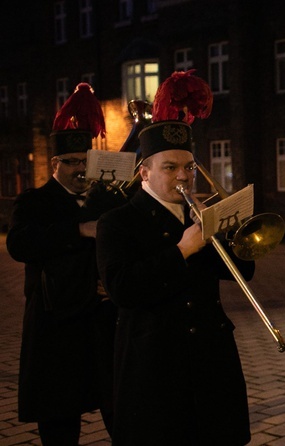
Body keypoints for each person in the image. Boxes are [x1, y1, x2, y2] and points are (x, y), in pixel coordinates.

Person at [96, 70, 255, 445]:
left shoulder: (198, 212)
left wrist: (231, 231)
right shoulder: (116, 222)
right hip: (153, 364)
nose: (183, 176)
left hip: (211, 359)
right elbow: (123, 289)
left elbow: (243, 271)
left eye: (189, 167)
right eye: (170, 168)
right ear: (144, 172)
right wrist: (183, 250)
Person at [5, 83, 116, 445]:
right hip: (56, 326)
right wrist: (79, 228)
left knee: (121, 412)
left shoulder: (104, 199)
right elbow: (20, 244)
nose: (80, 169)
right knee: (59, 422)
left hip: (101, 324)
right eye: (71, 162)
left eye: (86, 162)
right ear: (54, 164)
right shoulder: (35, 200)